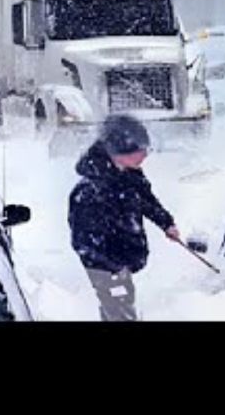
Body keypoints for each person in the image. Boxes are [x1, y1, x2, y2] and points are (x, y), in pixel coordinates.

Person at [68, 114, 180, 321]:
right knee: (118, 308)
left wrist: (166, 223)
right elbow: (83, 240)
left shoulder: (129, 174)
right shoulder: (90, 190)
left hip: (121, 262)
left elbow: (146, 200)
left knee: (122, 305)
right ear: (118, 151)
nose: (145, 155)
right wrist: (112, 267)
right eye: (139, 150)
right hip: (105, 266)